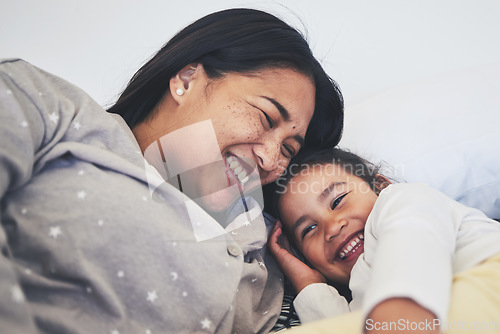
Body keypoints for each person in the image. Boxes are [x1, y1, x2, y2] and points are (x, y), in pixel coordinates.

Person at [0, 8, 344, 334]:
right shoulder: (49, 107)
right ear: (186, 80)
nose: (271, 160)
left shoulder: (272, 248)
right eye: (266, 117)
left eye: (288, 149)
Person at [269, 147, 500, 333]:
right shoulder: (356, 297)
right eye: (309, 229)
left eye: (338, 200)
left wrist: (398, 315)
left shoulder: (402, 199)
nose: (331, 227)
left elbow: (413, 234)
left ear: (380, 186)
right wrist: (309, 284)